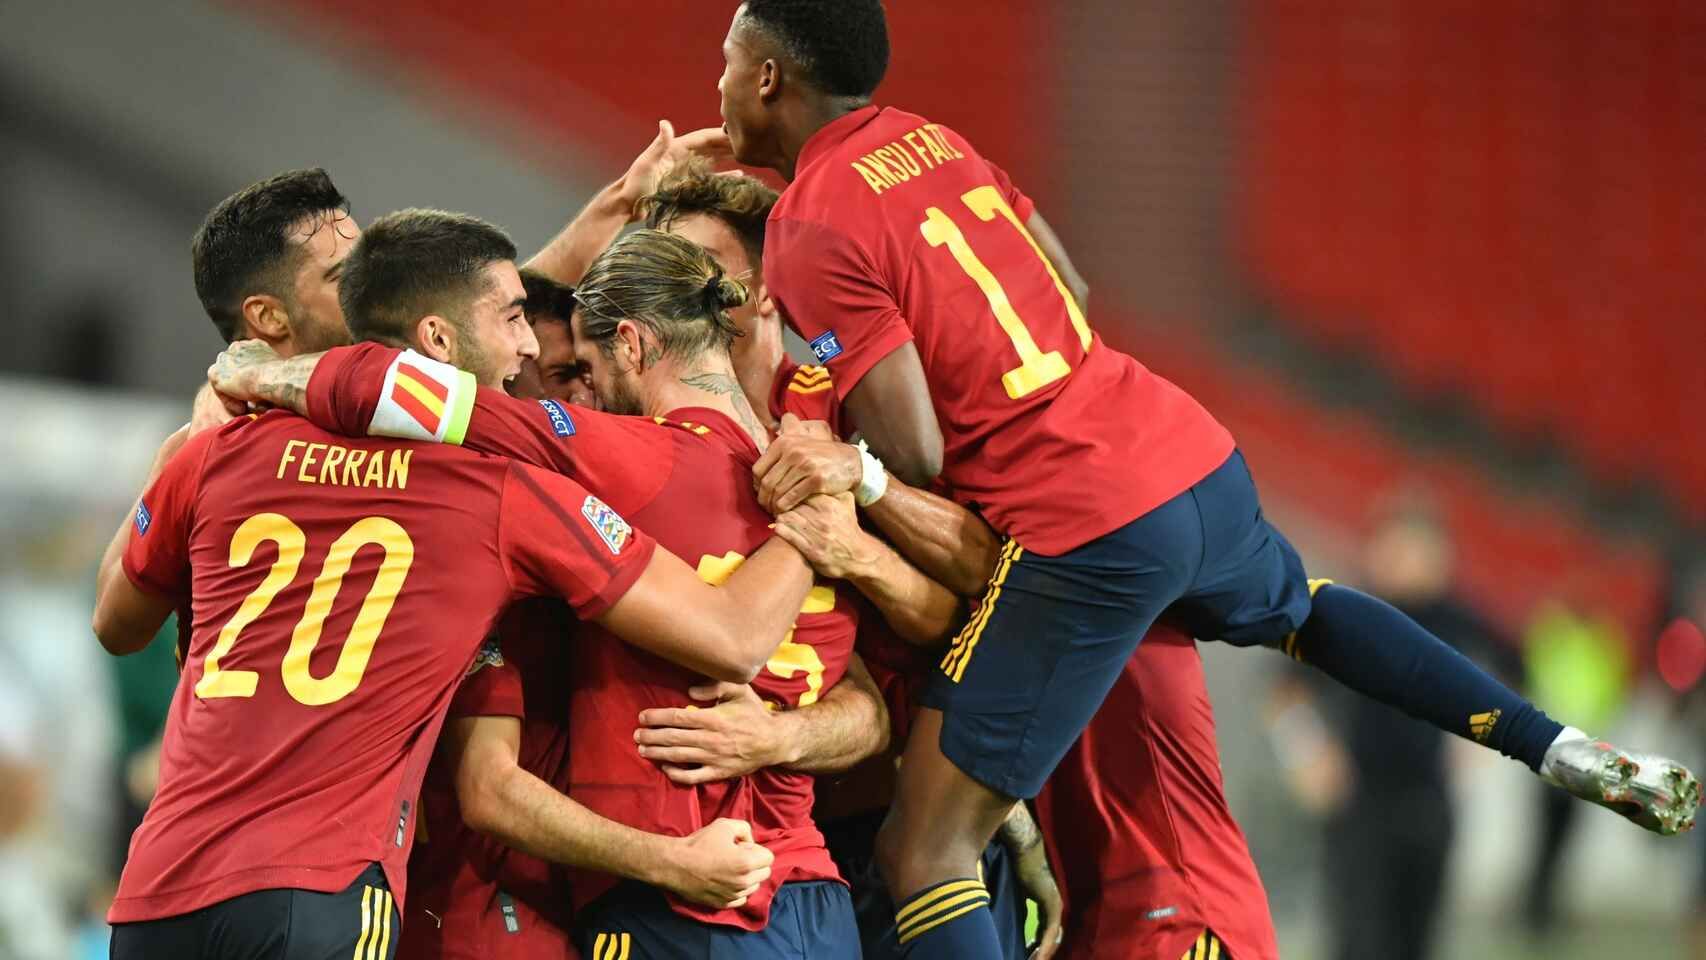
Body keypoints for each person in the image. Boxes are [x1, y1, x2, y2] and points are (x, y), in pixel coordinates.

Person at [715, 2, 1700, 953]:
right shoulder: (936, 143)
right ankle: (1554, 747)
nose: (714, 84)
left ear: (768, 75)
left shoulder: (809, 223)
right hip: (1177, 446)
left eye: (724, 59)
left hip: (1079, 520)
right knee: (1306, 612)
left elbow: (915, 449)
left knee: (925, 851)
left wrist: (849, 448)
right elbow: (1072, 285)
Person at [95, 209, 828, 960]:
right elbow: (733, 637)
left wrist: (182, 445)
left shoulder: (217, 449)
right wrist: (827, 501)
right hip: (324, 886)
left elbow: (113, 623)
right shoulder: (502, 493)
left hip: (159, 886)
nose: (528, 344)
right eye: (513, 317)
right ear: (438, 340)